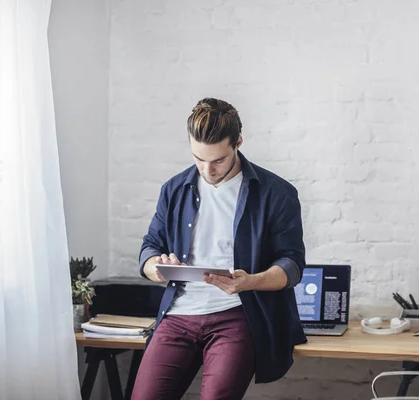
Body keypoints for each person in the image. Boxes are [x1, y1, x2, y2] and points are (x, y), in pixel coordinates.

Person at [131, 98, 307, 400]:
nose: (207, 170)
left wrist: (250, 281)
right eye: (198, 158)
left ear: (238, 143)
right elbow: (149, 248)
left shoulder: (276, 193)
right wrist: (157, 267)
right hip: (178, 314)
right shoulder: (174, 189)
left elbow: (292, 265)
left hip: (236, 314)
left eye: (218, 160)